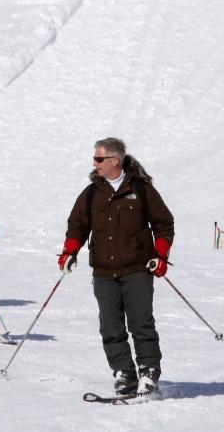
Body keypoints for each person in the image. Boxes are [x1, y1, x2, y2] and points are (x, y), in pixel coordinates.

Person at [58, 138, 174, 396]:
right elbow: (77, 225)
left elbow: (163, 223)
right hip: (103, 272)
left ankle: (148, 371)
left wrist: (161, 254)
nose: (94, 163)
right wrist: (69, 251)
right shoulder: (91, 194)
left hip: (137, 270)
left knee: (140, 322)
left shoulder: (141, 190)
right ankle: (124, 373)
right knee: (110, 326)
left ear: (115, 160)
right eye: (94, 158)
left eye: (99, 159)